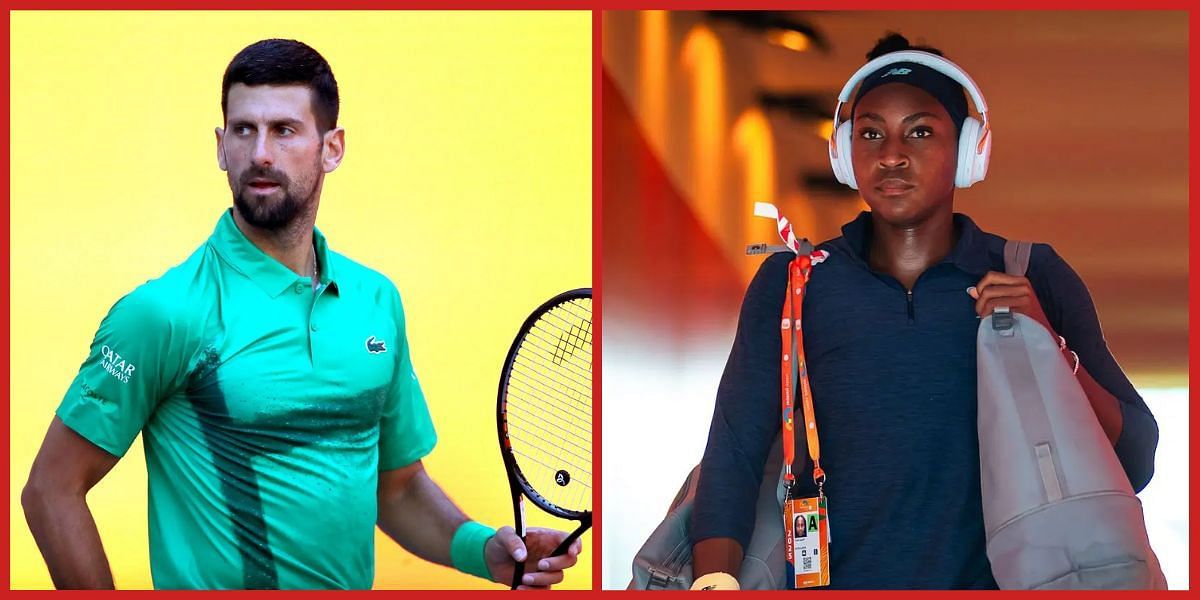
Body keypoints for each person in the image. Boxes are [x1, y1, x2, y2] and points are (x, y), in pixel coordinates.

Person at [20, 38, 581, 590]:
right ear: (220, 146)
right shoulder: (163, 313)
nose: (260, 153)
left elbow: (398, 488)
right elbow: (51, 489)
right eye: (244, 130)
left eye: (284, 130)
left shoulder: (376, 302)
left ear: (331, 148)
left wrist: (485, 551)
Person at [689, 32, 1158, 590]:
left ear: (967, 150)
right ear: (843, 153)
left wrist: (1050, 342)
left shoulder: (1031, 273)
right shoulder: (795, 282)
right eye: (870, 133)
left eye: (920, 130)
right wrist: (713, 579)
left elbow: (1135, 459)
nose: (891, 154)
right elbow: (733, 454)